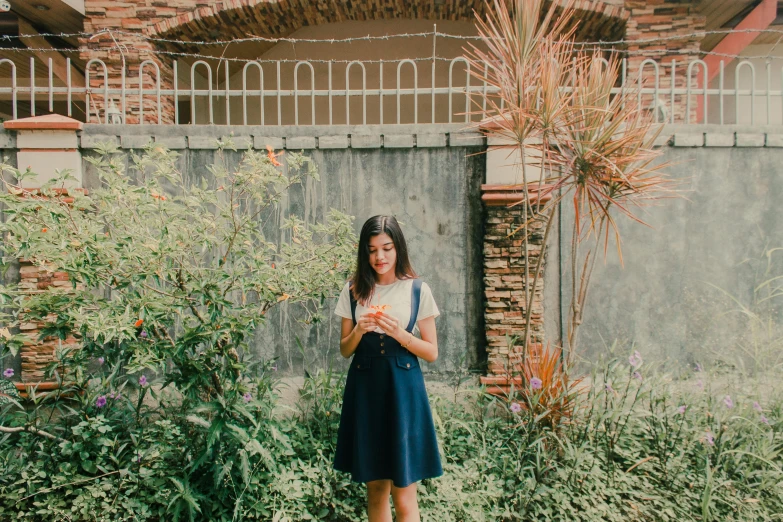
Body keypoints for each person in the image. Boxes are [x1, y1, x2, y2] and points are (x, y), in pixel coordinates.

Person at [333, 215, 443, 522]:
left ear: (398, 249)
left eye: (386, 248)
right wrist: (358, 331)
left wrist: (400, 335)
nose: (379, 257)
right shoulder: (354, 290)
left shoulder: (418, 290)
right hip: (365, 390)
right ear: (364, 253)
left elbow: (432, 352)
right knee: (376, 488)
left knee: (404, 490)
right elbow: (344, 350)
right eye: (371, 250)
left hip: (404, 392)